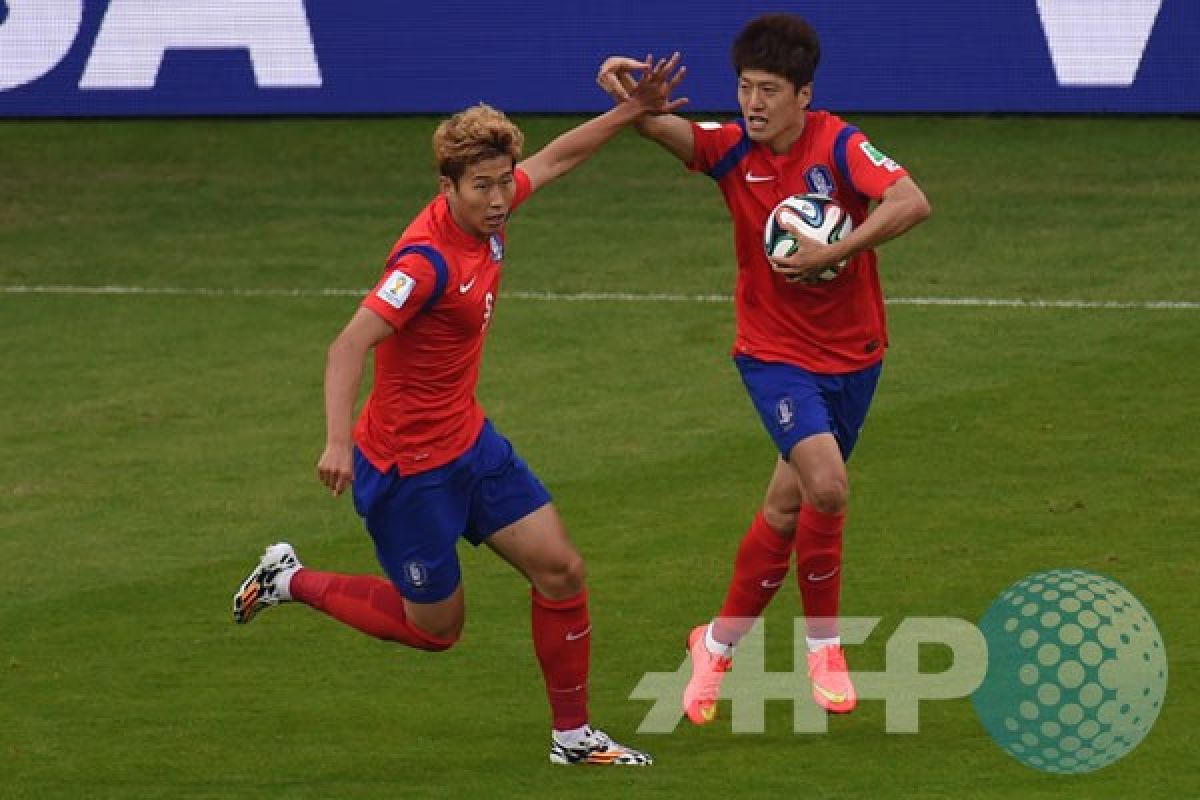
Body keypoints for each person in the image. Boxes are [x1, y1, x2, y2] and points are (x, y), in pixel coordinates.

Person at [231, 56, 686, 766]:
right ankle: (287, 578)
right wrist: (336, 443)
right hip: (409, 472)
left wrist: (635, 112)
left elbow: (560, 157)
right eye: (484, 187)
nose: (501, 198)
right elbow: (346, 345)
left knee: (562, 570)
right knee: (435, 630)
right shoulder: (425, 264)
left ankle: (572, 737)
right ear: (447, 188)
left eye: (506, 181)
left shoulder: (491, 209)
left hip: (470, 445)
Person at [597, 14, 931, 724]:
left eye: (768, 90)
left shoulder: (839, 145)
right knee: (828, 488)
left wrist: (837, 251)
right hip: (773, 354)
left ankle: (715, 645)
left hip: (856, 355)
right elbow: (657, 129)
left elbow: (910, 202)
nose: (752, 102)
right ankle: (824, 647)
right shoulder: (727, 152)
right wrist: (632, 99)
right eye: (745, 87)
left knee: (787, 507)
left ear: (802, 94)